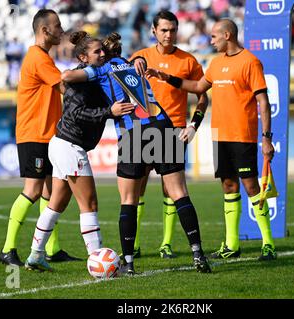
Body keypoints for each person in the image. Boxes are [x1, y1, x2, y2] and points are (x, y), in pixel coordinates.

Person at [63, 32, 212, 275]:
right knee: (180, 193)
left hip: (134, 132)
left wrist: (85, 72)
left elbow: (67, 76)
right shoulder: (130, 62)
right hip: (163, 125)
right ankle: (198, 253)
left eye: (101, 52)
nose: (100, 55)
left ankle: (129, 264)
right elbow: (136, 64)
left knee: (129, 200)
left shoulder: (100, 69)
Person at [146, 18, 277, 261]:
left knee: (251, 187)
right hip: (220, 135)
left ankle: (268, 243)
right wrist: (165, 76)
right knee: (228, 186)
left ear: (227, 35)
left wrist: (266, 138)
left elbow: (263, 102)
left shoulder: (250, 62)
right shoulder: (216, 64)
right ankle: (231, 244)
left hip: (242, 135)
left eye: (214, 36)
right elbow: (197, 86)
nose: (211, 40)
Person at [25, 32, 134, 271]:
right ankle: (99, 263)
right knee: (90, 204)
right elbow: (75, 114)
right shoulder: (80, 80)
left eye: (103, 51)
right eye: (97, 52)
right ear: (84, 57)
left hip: (63, 145)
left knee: (56, 205)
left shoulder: (94, 76)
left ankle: (35, 255)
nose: (102, 55)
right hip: (69, 146)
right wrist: (109, 112)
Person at [0, 9, 79, 267]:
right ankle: (8, 248)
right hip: (34, 133)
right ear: (45, 31)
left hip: (45, 134)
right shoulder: (38, 58)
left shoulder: (41, 57)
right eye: (57, 25)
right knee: (33, 190)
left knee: (49, 192)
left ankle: (52, 249)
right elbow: (66, 89)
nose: (61, 29)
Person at [130, 10, 208, 259]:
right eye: (164, 30)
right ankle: (134, 244)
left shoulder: (188, 61)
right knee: (136, 187)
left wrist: (194, 125)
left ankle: (166, 244)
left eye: (173, 29)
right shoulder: (140, 56)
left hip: (173, 129)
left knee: (171, 189)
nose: (169, 34)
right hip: (140, 129)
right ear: (153, 31)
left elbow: (202, 97)